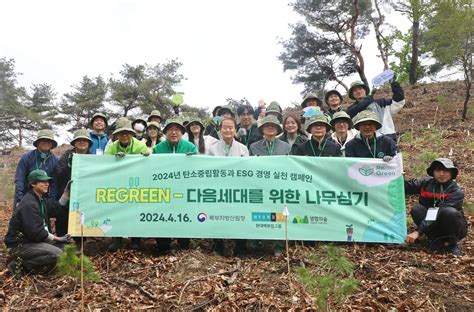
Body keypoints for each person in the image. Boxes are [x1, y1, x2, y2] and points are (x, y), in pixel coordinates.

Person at [4, 169, 70, 278]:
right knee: (58, 254)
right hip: (20, 245)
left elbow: (56, 208)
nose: (47, 184)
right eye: (43, 181)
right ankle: (19, 265)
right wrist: (57, 239)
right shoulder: (29, 204)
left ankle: (33, 261)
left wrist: (66, 193)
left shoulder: (40, 199)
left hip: (33, 241)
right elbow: (37, 233)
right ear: (33, 184)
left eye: (47, 181)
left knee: (65, 248)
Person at [153, 118, 198, 253]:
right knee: (162, 216)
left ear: (182, 132)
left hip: (183, 189)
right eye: (170, 130)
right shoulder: (158, 148)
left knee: (184, 215)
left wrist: (193, 159)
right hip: (163, 190)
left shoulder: (190, 146)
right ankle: (163, 244)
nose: (174, 133)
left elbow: (198, 167)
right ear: (165, 132)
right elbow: (151, 169)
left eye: (177, 130)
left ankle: (184, 242)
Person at [405, 159, 467, 256]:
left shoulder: (456, 192)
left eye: (445, 171)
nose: (441, 174)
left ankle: (452, 244)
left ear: (452, 173)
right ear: (433, 172)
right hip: (432, 224)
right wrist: (396, 174)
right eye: (438, 170)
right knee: (416, 209)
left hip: (452, 226)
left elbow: (438, 212)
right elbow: (406, 186)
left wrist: (418, 231)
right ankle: (436, 240)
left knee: (449, 212)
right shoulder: (425, 183)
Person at [105, 117, 148, 251]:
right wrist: (114, 160)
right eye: (121, 133)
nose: (124, 135)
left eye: (127, 132)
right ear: (117, 135)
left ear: (132, 134)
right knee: (116, 210)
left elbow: (147, 162)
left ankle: (135, 239)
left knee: (135, 210)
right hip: (117, 184)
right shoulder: (111, 147)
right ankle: (116, 239)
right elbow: (104, 164)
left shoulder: (139, 145)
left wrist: (147, 155)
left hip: (136, 183)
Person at [54, 128, 92, 236]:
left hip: (85, 193)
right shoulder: (67, 155)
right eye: (79, 140)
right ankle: (62, 240)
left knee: (82, 216)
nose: (82, 142)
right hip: (66, 192)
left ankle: (79, 241)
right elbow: (59, 173)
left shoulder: (93, 157)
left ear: (89, 143)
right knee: (63, 216)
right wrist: (69, 166)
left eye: (84, 140)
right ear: (74, 143)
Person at [14, 129, 59, 208]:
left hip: (45, 199)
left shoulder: (55, 160)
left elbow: (55, 184)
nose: (46, 143)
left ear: (52, 144)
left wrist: (52, 203)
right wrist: (20, 199)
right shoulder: (27, 158)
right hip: (26, 196)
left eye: (49, 141)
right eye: (43, 140)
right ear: (37, 143)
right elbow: (19, 179)